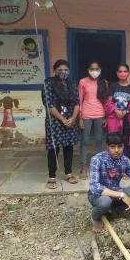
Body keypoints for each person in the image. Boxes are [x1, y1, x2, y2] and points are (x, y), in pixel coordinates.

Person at [42, 59, 80, 189]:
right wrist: (62, 119)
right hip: (55, 120)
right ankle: (52, 176)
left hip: (70, 120)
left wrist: (73, 118)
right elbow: (49, 104)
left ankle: (68, 173)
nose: (63, 72)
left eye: (66, 70)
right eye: (60, 70)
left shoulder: (72, 84)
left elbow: (76, 103)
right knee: (54, 148)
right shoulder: (48, 83)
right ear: (54, 70)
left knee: (68, 147)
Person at [78, 61, 109, 179]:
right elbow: (80, 100)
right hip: (86, 115)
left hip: (100, 115)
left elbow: (105, 101)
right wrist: (80, 118)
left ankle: (97, 166)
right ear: (88, 69)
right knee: (84, 142)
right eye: (92, 69)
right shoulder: (83, 82)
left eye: (96, 69)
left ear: (100, 69)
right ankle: (83, 167)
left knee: (99, 141)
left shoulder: (104, 82)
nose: (94, 71)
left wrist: (105, 116)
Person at [105, 63, 130, 158]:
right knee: (114, 143)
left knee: (127, 143)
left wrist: (126, 111)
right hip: (115, 120)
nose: (122, 73)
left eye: (125, 71)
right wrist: (116, 110)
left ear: (128, 73)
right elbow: (108, 103)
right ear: (117, 73)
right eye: (120, 71)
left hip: (128, 120)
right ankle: (114, 166)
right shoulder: (113, 86)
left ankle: (125, 166)